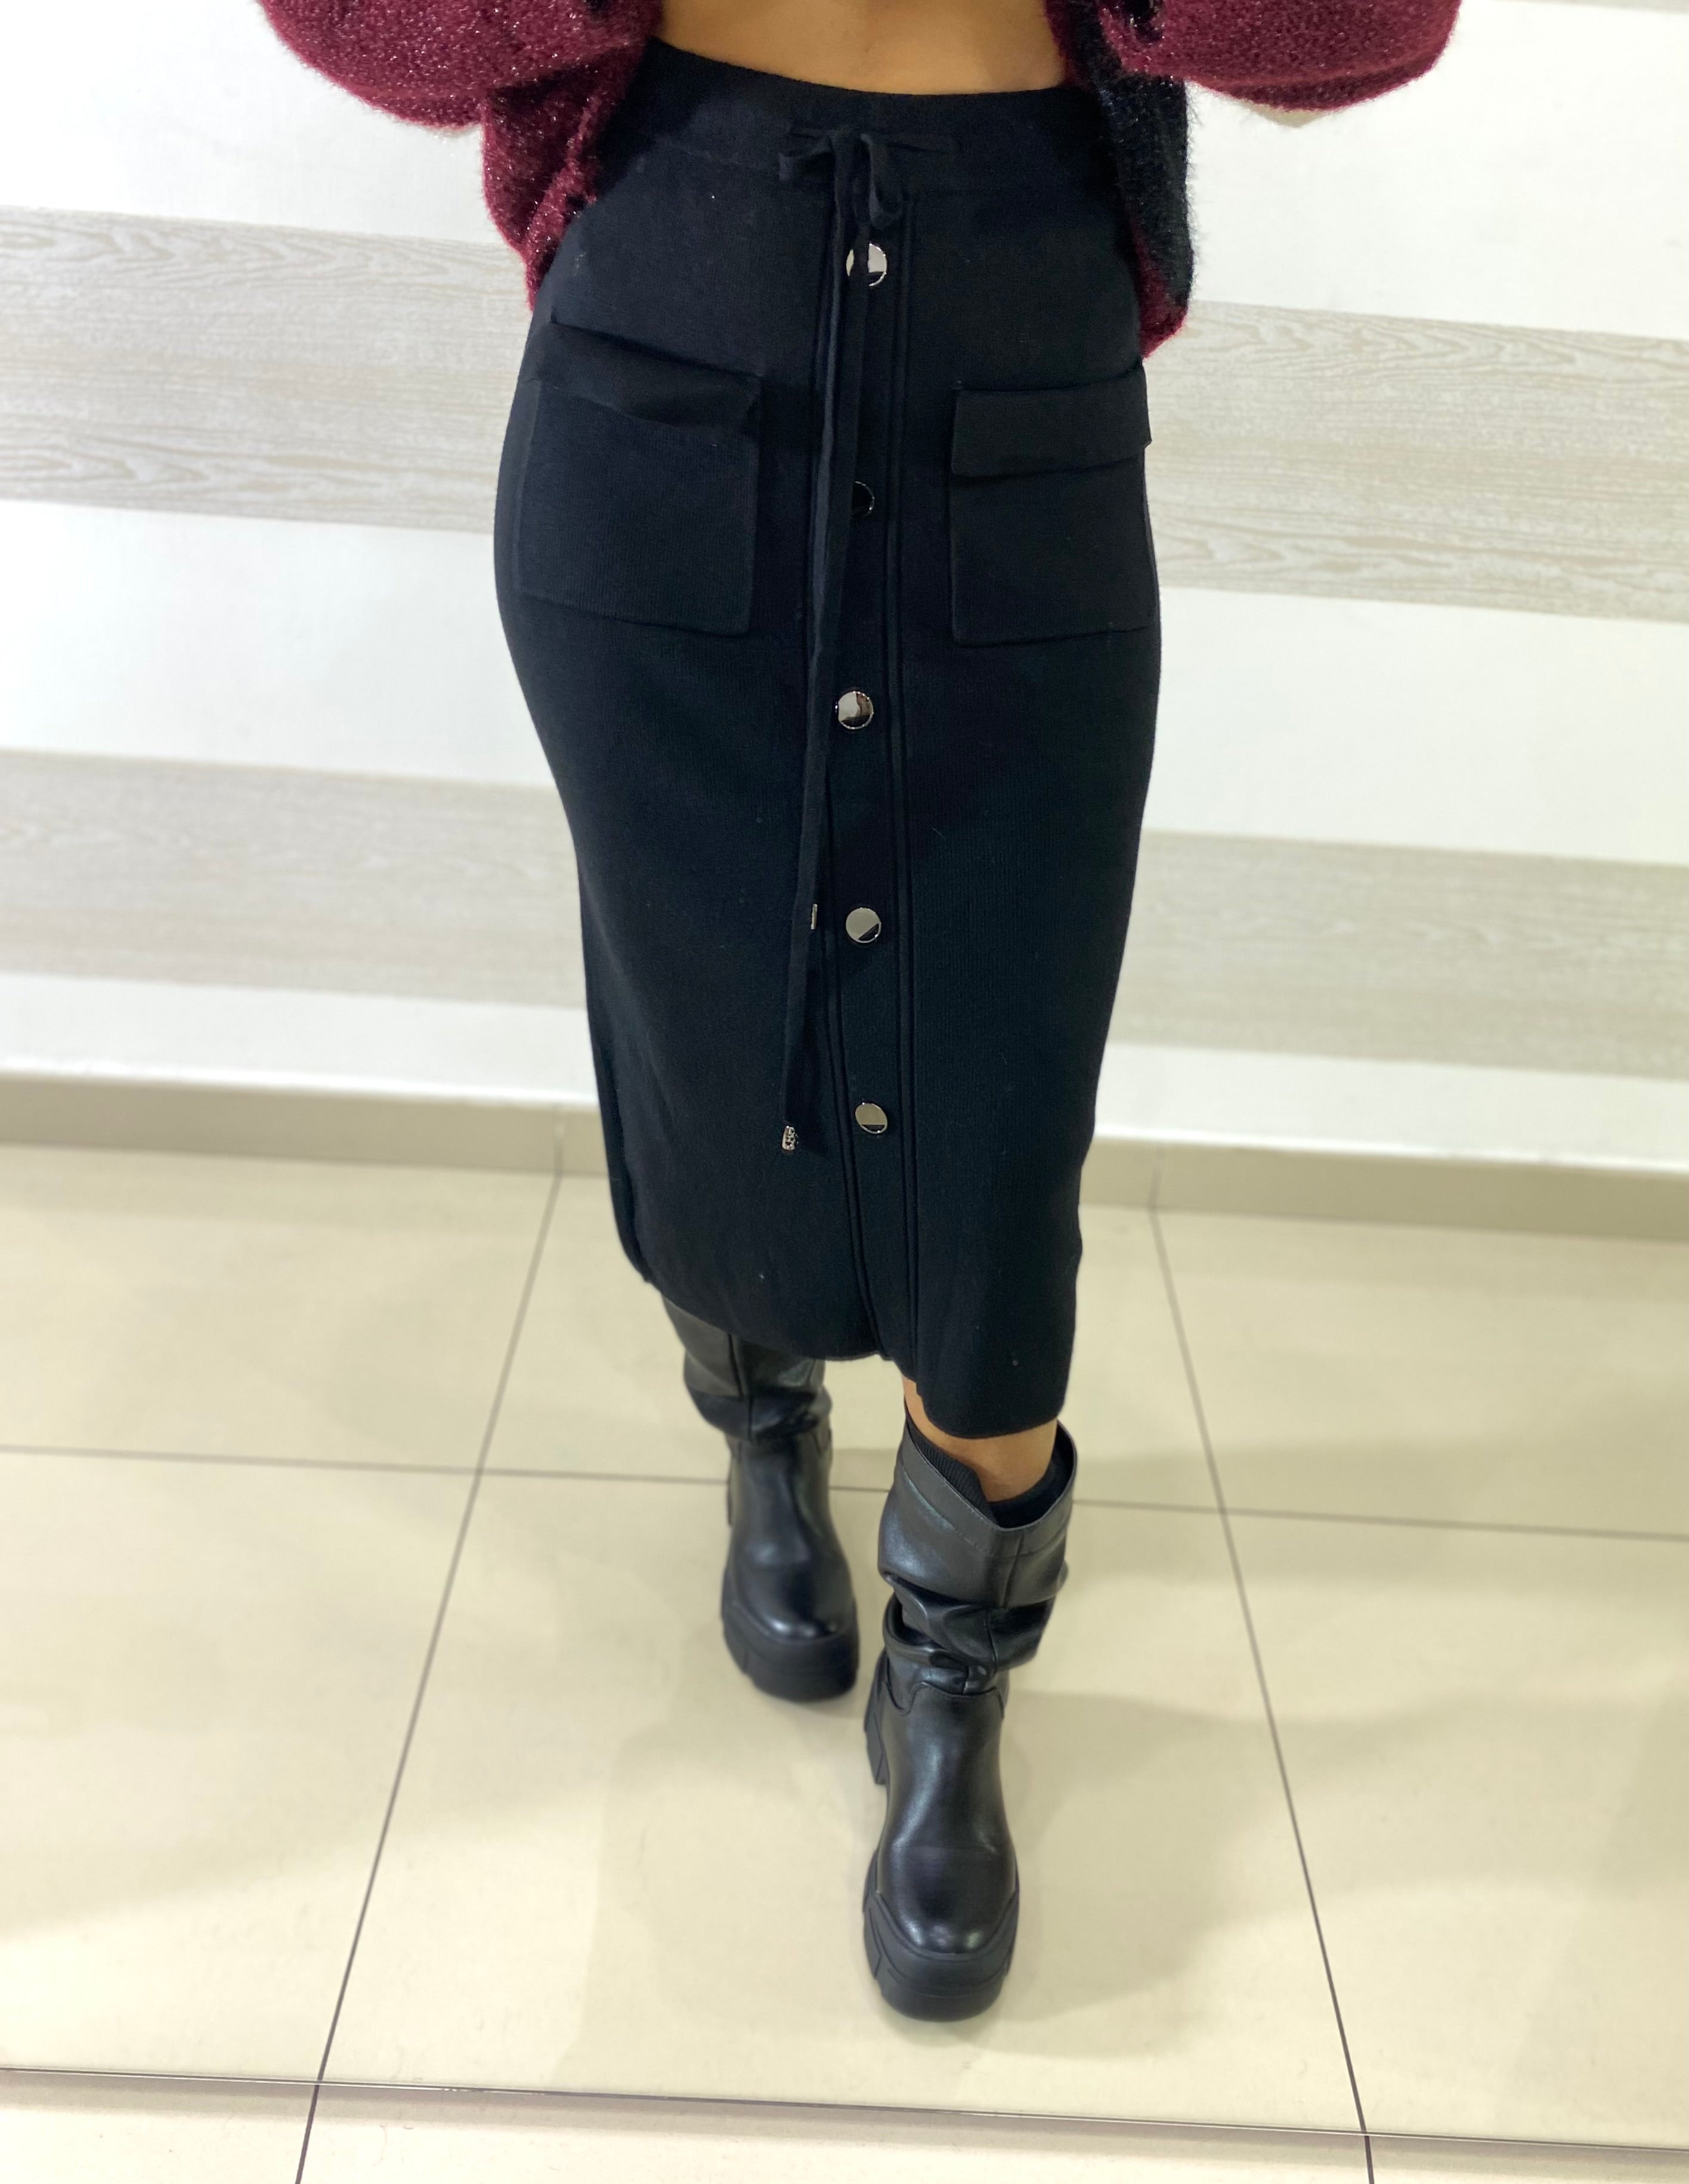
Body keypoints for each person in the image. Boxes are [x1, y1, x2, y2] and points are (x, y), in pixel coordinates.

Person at [257, 0, 1462, 2019]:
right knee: (711, 1026)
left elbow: (1371, 25)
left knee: (1000, 1109)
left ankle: (953, 1677)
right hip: (666, 338)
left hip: (1020, 328)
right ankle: (763, 1432)